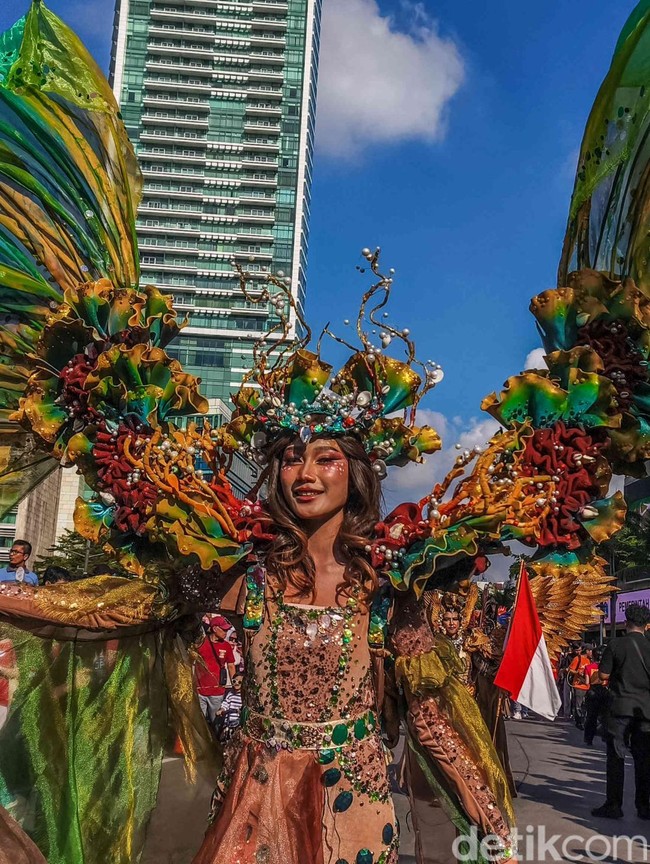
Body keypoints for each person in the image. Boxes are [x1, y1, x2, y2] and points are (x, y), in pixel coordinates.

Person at [591, 604, 650, 820]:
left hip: (619, 708)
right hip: (645, 711)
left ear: (626, 623)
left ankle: (613, 805)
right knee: (643, 760)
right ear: (647, 625)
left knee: (616, 756)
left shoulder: (616, 644)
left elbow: (604, 675)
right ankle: (644, 806)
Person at [195, 615, 236, 736]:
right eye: (223, 629)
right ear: (214, 629)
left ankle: (217, 745)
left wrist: (235, 685)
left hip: (217, 693)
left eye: (227, 629)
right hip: (199, 691)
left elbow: (231, 666)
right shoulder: (200, 643)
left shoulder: (226, 646)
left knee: (216, 723)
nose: (226, 632)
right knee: (199, 723)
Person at [583, 646, 609, 746]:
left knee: (591, 717)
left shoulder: (588, 667)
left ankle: (588, 738)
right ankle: (605, 736)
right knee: (605, 716)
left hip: (593, 692)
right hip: (604, 691)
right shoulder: (606, 668)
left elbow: (587, 682)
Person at [568, 644, 593, 729]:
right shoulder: (577, 659)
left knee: (585, 705)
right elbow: (570, 670)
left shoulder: (590, 660)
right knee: (578, 705)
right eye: (590, 650)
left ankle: (584, 720)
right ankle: (579, 722)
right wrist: (578, 673)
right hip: (578, 686)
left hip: (587, 686)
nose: (592, 652)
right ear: (587, 651)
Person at [218, 675, 243, 742]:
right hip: (229, 721)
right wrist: (222, 709)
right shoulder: (230, 694)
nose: (236, 683)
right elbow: (225, 703)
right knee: (223, 737)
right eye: (234, 681)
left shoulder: (243, 696)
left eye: (240, 682)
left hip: (238, 721)